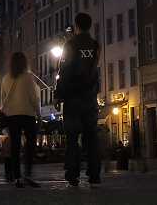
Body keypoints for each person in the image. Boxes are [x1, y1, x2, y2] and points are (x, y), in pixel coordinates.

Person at [55, 12, 102, 187]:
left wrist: (58, 94)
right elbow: (95, 70)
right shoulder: (96, 45)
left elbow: (64, 70)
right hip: (90, 97)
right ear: (89, 26)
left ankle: (73, 174)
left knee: (72, 138)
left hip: (73, 97)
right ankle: (94, 174)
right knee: (91, 137)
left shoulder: (70, 44)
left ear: (76, 26)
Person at [0, 52, 41, 188]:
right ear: (24, 62)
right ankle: (28, 174)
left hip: (12, 116)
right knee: (30, 145)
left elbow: (2, 100)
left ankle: (17, 177)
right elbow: (34, 98)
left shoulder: (5, 79)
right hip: (28, 115)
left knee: (15, 147)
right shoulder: (28, 77)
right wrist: (39, 114)